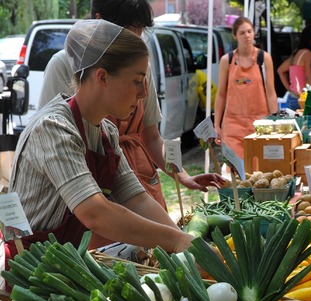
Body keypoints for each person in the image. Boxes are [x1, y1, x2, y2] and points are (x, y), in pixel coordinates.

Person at [5, 19, 197, 274]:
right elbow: (95, 212)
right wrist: (176, 240)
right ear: (103, 77)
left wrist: (188, 245)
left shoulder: (106, 132)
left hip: (66, 269)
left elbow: (136, 199)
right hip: (31, 277)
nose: (144, 94)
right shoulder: (52, 128)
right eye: (137, 81)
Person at [38, 0, 224, 210]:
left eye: (140, 30)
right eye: (129, 30)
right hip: (89, 184)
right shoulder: (64, 64)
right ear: (100, 21)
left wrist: (183, 176)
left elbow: (152, 137)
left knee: (157, 236)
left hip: (139, 178)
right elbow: (48, 140)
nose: (137, 38)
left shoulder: (139, 64)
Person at [213, 16, 278, 159]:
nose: (247, 36)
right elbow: (221, 94)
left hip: (260, 124)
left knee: (259, 171)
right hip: (232, 125)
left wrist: (275, 121)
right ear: (235, 36)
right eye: (242, 33)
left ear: (254, 33)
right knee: (235, 171)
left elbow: (271, 93)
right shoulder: (226, 60)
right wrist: (217, 125)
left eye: (249, 31)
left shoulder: (264, 58)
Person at [277, 24, 311, 111]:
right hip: (304, 101)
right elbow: (309, 79)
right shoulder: (309, 55)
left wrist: (290, 90)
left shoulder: (297, 53)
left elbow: (280, 70)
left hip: (292, 98)